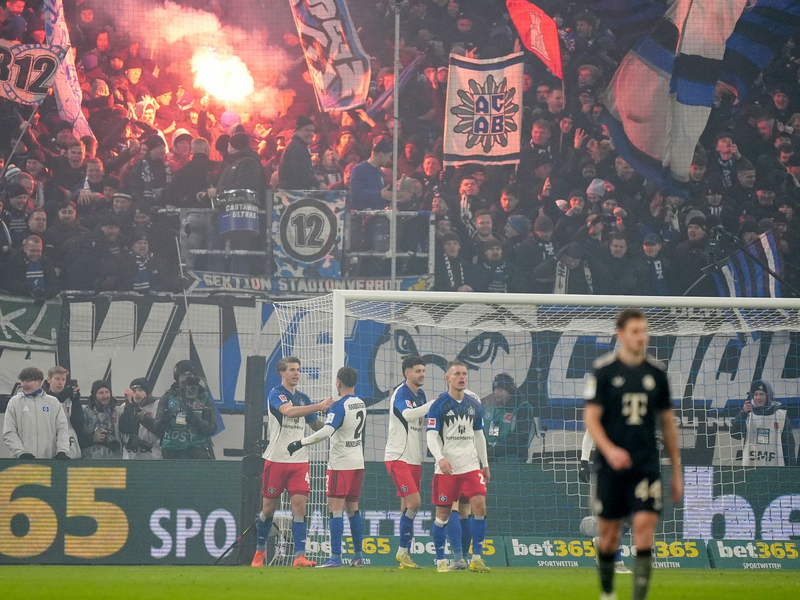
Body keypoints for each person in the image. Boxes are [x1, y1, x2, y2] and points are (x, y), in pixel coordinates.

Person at [583, 309, 682, 600]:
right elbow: (591, 419)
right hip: (610, 467)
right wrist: (610, 450)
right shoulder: (603, 371)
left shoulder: (657, 373)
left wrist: (676, 469)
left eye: (644, 331)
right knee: (609, 535)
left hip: (646, 464)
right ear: (621, 334)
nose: (642, 337)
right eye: (635, 331)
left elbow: (667, 423)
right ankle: (608, 592)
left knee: (644, 529)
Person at [251, 357, 334, 568]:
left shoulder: (303, 398)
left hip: (299, 461)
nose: (296, 373)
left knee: (300, 506)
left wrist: (334, 427)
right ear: (282, 373)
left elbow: (316, 425)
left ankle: (299, 556)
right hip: (276, 460)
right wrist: (320, 405)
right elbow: (289, 411)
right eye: (292, 370)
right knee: (268, 509)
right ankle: (259, 552)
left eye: (298, 369)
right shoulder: (276, 394)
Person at [287, 366, 367, 568]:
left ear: (338, 383)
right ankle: (358, 556)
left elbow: (326, 431)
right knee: (353, 508)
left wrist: (301, 442)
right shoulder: (360, 403)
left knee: (335, 510)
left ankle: (335, 557)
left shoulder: (339, 406)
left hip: (340, 464)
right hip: (358, 462)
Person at [426, 360, 491, 573]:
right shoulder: (438, 405)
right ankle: (440, 561)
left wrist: (485, 464)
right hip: (447, 469)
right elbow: (431, 436)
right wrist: (440, 458)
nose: (462, 377)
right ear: (448, 379)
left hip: (471, 467)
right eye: (457, 374)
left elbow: (479, 435)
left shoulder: (474, 405)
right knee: (443, 514)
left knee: (480, 506)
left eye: (464, 373)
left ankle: (476, 557)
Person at [384, 355, 435, 569]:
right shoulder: (401, 393)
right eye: (418, 371)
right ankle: (402, 552)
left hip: (414, 458)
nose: (422, 374)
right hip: (398, 456)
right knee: (415, 503)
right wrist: (433, 404)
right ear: (407, 373)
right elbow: (407, 415)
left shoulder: (420, 395)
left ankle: (404, 556)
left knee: (406, 505)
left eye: (423, 371)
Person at [153, 360, 218, 459]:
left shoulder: (203, 398)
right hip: (172, 452)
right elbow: (156, 427)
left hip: (198, 451)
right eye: (183, 374)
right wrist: (164, 419)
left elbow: (211, 428)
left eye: (190, 374)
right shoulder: (168, 397)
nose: (187, 377)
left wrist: (194, 419)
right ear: (177, 377)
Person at [3, 367, 70, 460]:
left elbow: (62, 429)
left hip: (49, 461)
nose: (24, 384)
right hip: (22, 462)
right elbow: (9, 432)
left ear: (39, 382)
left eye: (28, 381)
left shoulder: (53, 402)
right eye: (23, 381)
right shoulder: (14, 402)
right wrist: (20, 453)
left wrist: (62, 451)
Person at [731, 380, 796, 467]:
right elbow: (735, 434)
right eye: (756, 394)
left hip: (775, 467)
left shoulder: (781, 415)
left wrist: (791, 468)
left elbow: (789, 446)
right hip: (751, 466)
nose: (758, 398)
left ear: (768, 395)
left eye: (762, 394)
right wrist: (743, 414)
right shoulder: (746, 414)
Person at [481, 374, 535, 461]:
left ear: (509, 390)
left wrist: (494, 451)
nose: (496, 392)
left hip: (514, 461)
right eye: (495, 389)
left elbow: (520, 438)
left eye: (500, 389)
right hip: (492, 460)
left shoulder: (522, 408)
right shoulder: (491, 409)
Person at [43, 366, 87, 459]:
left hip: (70, 447)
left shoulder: (69, 399)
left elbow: (79, 424)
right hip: (49, 447)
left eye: (63, 379)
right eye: (57, 379)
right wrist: (60, 398)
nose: (60, 382)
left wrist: (76, 400)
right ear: (49, 380)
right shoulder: (42, 398)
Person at [119, 378, 163, 460]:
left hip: (154, 457)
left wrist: (144, 418)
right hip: (130, 458)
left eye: (140, 390)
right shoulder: (125, 407)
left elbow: (160, 429)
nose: (137, 394)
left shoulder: (157, 405)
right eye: (134, 391)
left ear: (148, 392)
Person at [278, 115, 325, 191]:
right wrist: (318, 184)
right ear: (298, 130)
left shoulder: (297, 145)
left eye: (312, 131)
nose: (310, 133)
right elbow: (302, 173)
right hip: (293, 193)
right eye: (307, 130)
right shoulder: (297, 148)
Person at [82, 380, 124, 459]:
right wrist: (92, 438)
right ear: (94, 395)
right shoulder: (84, 412)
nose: (105, 396)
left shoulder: (119, 412)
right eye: (101, 393)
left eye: (107, 392)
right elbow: (77, 436)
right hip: (89, 460)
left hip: (115, 460)